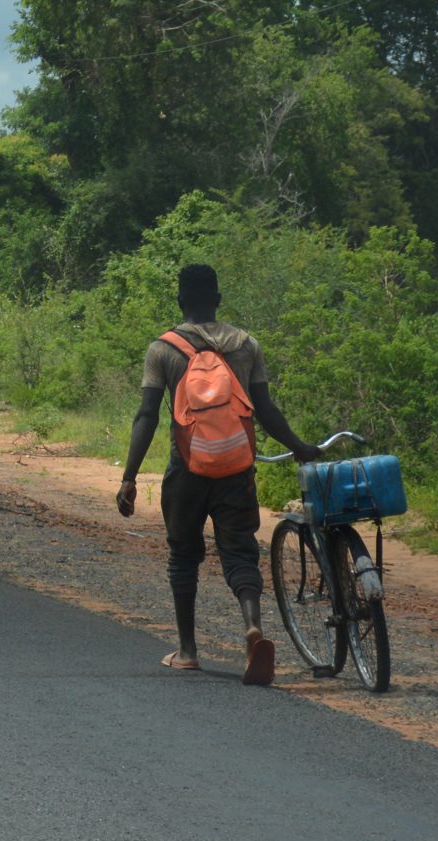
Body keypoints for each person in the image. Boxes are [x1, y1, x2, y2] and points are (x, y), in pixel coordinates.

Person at [113, 262, 318, 684]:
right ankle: (251, 628)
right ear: (218, 300)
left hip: (186, 470)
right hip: (235, 469)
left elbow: (147, 414)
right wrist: (298, 447)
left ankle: (187, 651)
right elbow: (266, 410)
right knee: (241, 553)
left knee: (183, 554)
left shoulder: (163, 349)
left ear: (180, 300)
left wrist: (129, 477)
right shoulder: (246, 345)